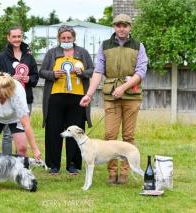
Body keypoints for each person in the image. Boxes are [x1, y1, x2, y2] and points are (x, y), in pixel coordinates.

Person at [80, 14, 148, 184]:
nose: (121, 28)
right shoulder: (105, 45)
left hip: (131, 95)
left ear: (130, 27)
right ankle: (112, 173)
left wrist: (123, 87)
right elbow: (98, 72)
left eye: (125, 25)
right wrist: (88, 94)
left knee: (128, 135)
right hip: (111, 97)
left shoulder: (138, 46)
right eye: (118, 25)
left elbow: (141, 72)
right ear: (114, 27)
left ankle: (125, 172)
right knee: (110, 135)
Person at [39, 25, 94, 175]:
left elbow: (92, 70)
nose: (66, 40)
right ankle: (53, 165)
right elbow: (42, 71)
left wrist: (82, 72)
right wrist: (52, 74)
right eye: (63, 38)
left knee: (75, 131)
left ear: (74, 38)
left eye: (69, 37)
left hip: (77, 97)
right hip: (55, 97)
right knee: (53, 131)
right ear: (59, 39)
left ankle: (73, 165)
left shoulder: (82, 53)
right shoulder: (52, 53)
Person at [0, 26, 39, 155]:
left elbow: (36, 77)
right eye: (14, 37)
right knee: (7, 134)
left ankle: (20, 164)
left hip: (26, 100)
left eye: (19, 36)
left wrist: (29, 78)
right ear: (8, 38)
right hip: (7, 100)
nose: (17, 39)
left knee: (23, 131)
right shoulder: (0, 58)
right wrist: (11, 79)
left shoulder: (29, 57)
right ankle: (7, 163)